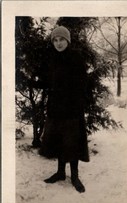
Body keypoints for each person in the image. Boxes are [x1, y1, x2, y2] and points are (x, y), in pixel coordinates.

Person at [33, 26, 89, 193]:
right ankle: (60, 173)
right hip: (56, 108)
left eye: (61, 39)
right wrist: (34, 81)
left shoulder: (76, 58)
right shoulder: (52, 59)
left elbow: (82, 85)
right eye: (55, 40)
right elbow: (48, 82)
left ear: (68, 41)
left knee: (72, 143)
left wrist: (77, 104)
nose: (58, 43)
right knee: (59, 141)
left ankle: (75, 176)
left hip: (72, 109)